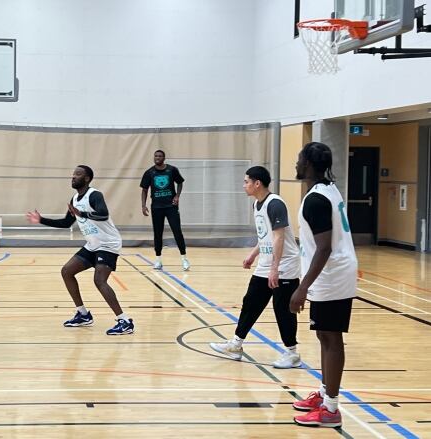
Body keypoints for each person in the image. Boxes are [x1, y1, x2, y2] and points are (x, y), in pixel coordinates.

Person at [290, 142, 358, 428]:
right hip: (332, 274)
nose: (295, 163)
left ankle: (331, 409)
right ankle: (325, 391)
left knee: (331, 339)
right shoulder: (328, 188)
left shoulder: (317, 199)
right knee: (324, 336)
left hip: (331, 276)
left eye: (299, 159)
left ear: (308, 163)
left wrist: (302, 287)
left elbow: (324, 248)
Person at [209, 166, 302, 368]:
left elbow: (279, 237)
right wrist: (253, 254)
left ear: (257, 183)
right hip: (267, 263)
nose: (244, 185)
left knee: (282, 308)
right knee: (251, 301)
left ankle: (292, 353)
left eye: (246, 182)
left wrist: (275, 268)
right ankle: (236, 345)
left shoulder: (275, 204)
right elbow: (266, 236)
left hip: (284, 264)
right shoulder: (257, 205)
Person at [26, 165, 134, 335]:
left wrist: (82, 214)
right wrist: (41, 220)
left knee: (99, 280)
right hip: (92, 244)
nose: (73, 177)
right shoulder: (75, 199)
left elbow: (103, 214)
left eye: (78, 174)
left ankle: (125, 320)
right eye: (73, 174)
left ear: (87, 179)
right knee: (67, 271)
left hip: (108, 244)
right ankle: (83, 314)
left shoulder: (94, 195)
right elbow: (66, 223)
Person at [140, 149, 190, 271]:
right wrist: (143, 205)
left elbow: (180, 182)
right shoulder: (149, 172)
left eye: (160, 156)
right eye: (155, 155)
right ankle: (158, 260)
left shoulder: (172, 170)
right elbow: (144, 190)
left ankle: (184, 259)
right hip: (156, 207)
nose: (157, 157)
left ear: (164, 158)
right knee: (158, 233)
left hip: (171, 207)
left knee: (177, 231)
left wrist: (177, 196)